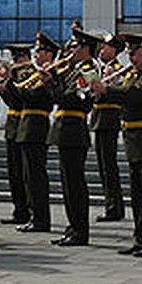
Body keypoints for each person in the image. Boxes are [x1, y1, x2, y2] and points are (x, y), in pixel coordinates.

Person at [89, 34, 142, 258]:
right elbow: (123, 96)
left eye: (135, 53)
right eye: (129, 53)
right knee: (138, 196)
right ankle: (141, 238)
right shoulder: (136, 73)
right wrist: (103, 91)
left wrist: (108, 90)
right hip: (136, 141)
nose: (132, 58)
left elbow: (137, 94)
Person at [44, 27, 97, 246]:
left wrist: (50, 81)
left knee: (75, 184)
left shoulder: (88, 69)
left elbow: (67, 98)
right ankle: (72, 227)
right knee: (67, 184)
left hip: (74, 129)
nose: (70, 49)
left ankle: (80, 230)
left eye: (75, 46)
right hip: (65, 129)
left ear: (85, 48)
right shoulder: (72, 69)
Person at [0, 33, 55, 234]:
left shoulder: (43, 75)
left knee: (34, 176)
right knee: (22, 174)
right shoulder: (35, 74)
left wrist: (12, 85)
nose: (36, 54)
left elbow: (34, 97)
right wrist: (6, 89)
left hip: (36, 125)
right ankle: (29, 214)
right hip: (24, 125)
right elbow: (19, 98)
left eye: (40, 51)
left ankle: (39, 217)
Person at [91, 32, 126, 222]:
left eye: (106, 47)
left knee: (109, 165)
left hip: (110, 118)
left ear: (114, 50)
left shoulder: (119, 69)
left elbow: (120, 92)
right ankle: (110, 203)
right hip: (98, 117)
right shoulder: (96, 67)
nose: (101, 50)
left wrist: (110, 80)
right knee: (102, 166)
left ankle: (114, 207)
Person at [0, 44, 33, 226]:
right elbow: (12, 103)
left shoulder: (28, 75)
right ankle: (19, 209)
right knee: (13, 173)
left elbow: (21, 101)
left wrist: (9, 84)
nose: (15, 62)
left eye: (17, 58)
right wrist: (3, 91)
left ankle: (28, 209)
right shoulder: (16, 77)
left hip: (23, 124)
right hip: (12, 126)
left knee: (23, 172)